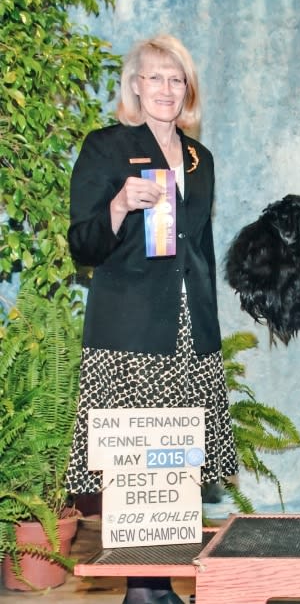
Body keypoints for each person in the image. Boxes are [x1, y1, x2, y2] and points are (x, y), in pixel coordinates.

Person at [66, 34, 237, 604]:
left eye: (176, 79)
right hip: (131, 327)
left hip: (192, 327)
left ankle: (161, 582)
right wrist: (117, 205)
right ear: (135, 85)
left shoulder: (199, 159)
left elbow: (200, 248)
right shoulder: (107, 148)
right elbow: (82, 245)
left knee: (177, 457)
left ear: (187, 90)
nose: (166, 89)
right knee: (136, 459)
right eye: (155, 78)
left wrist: (212, 320)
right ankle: (144, 586)